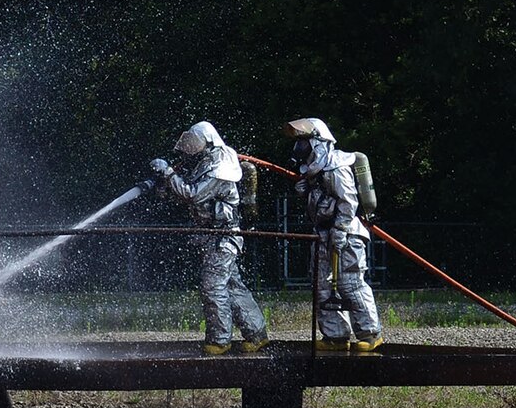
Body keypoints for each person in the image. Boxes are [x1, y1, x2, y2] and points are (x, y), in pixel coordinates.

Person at [149, 120, 270, 355]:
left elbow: (193, 195)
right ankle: (257, 335)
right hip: (214, 238)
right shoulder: (207, 164)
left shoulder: (221, 169)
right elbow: (186, 195)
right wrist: (165, 185)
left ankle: (219, 340)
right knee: (233, 287)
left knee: (212, 287)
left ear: (208, 143)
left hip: (223, 238)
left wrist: (168, 172)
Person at [285, 117, 384, 352]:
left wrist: (340, 230)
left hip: (346, 233)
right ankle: (335, 335)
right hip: (322, 233)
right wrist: (305, 191)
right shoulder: (312, 171)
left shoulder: (336, 165)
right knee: (321, 285)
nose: (300, 146)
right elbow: (320, 202)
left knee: (350, 283)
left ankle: (370, 334)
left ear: (317, 141)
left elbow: (348, 201)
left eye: (304, 141)